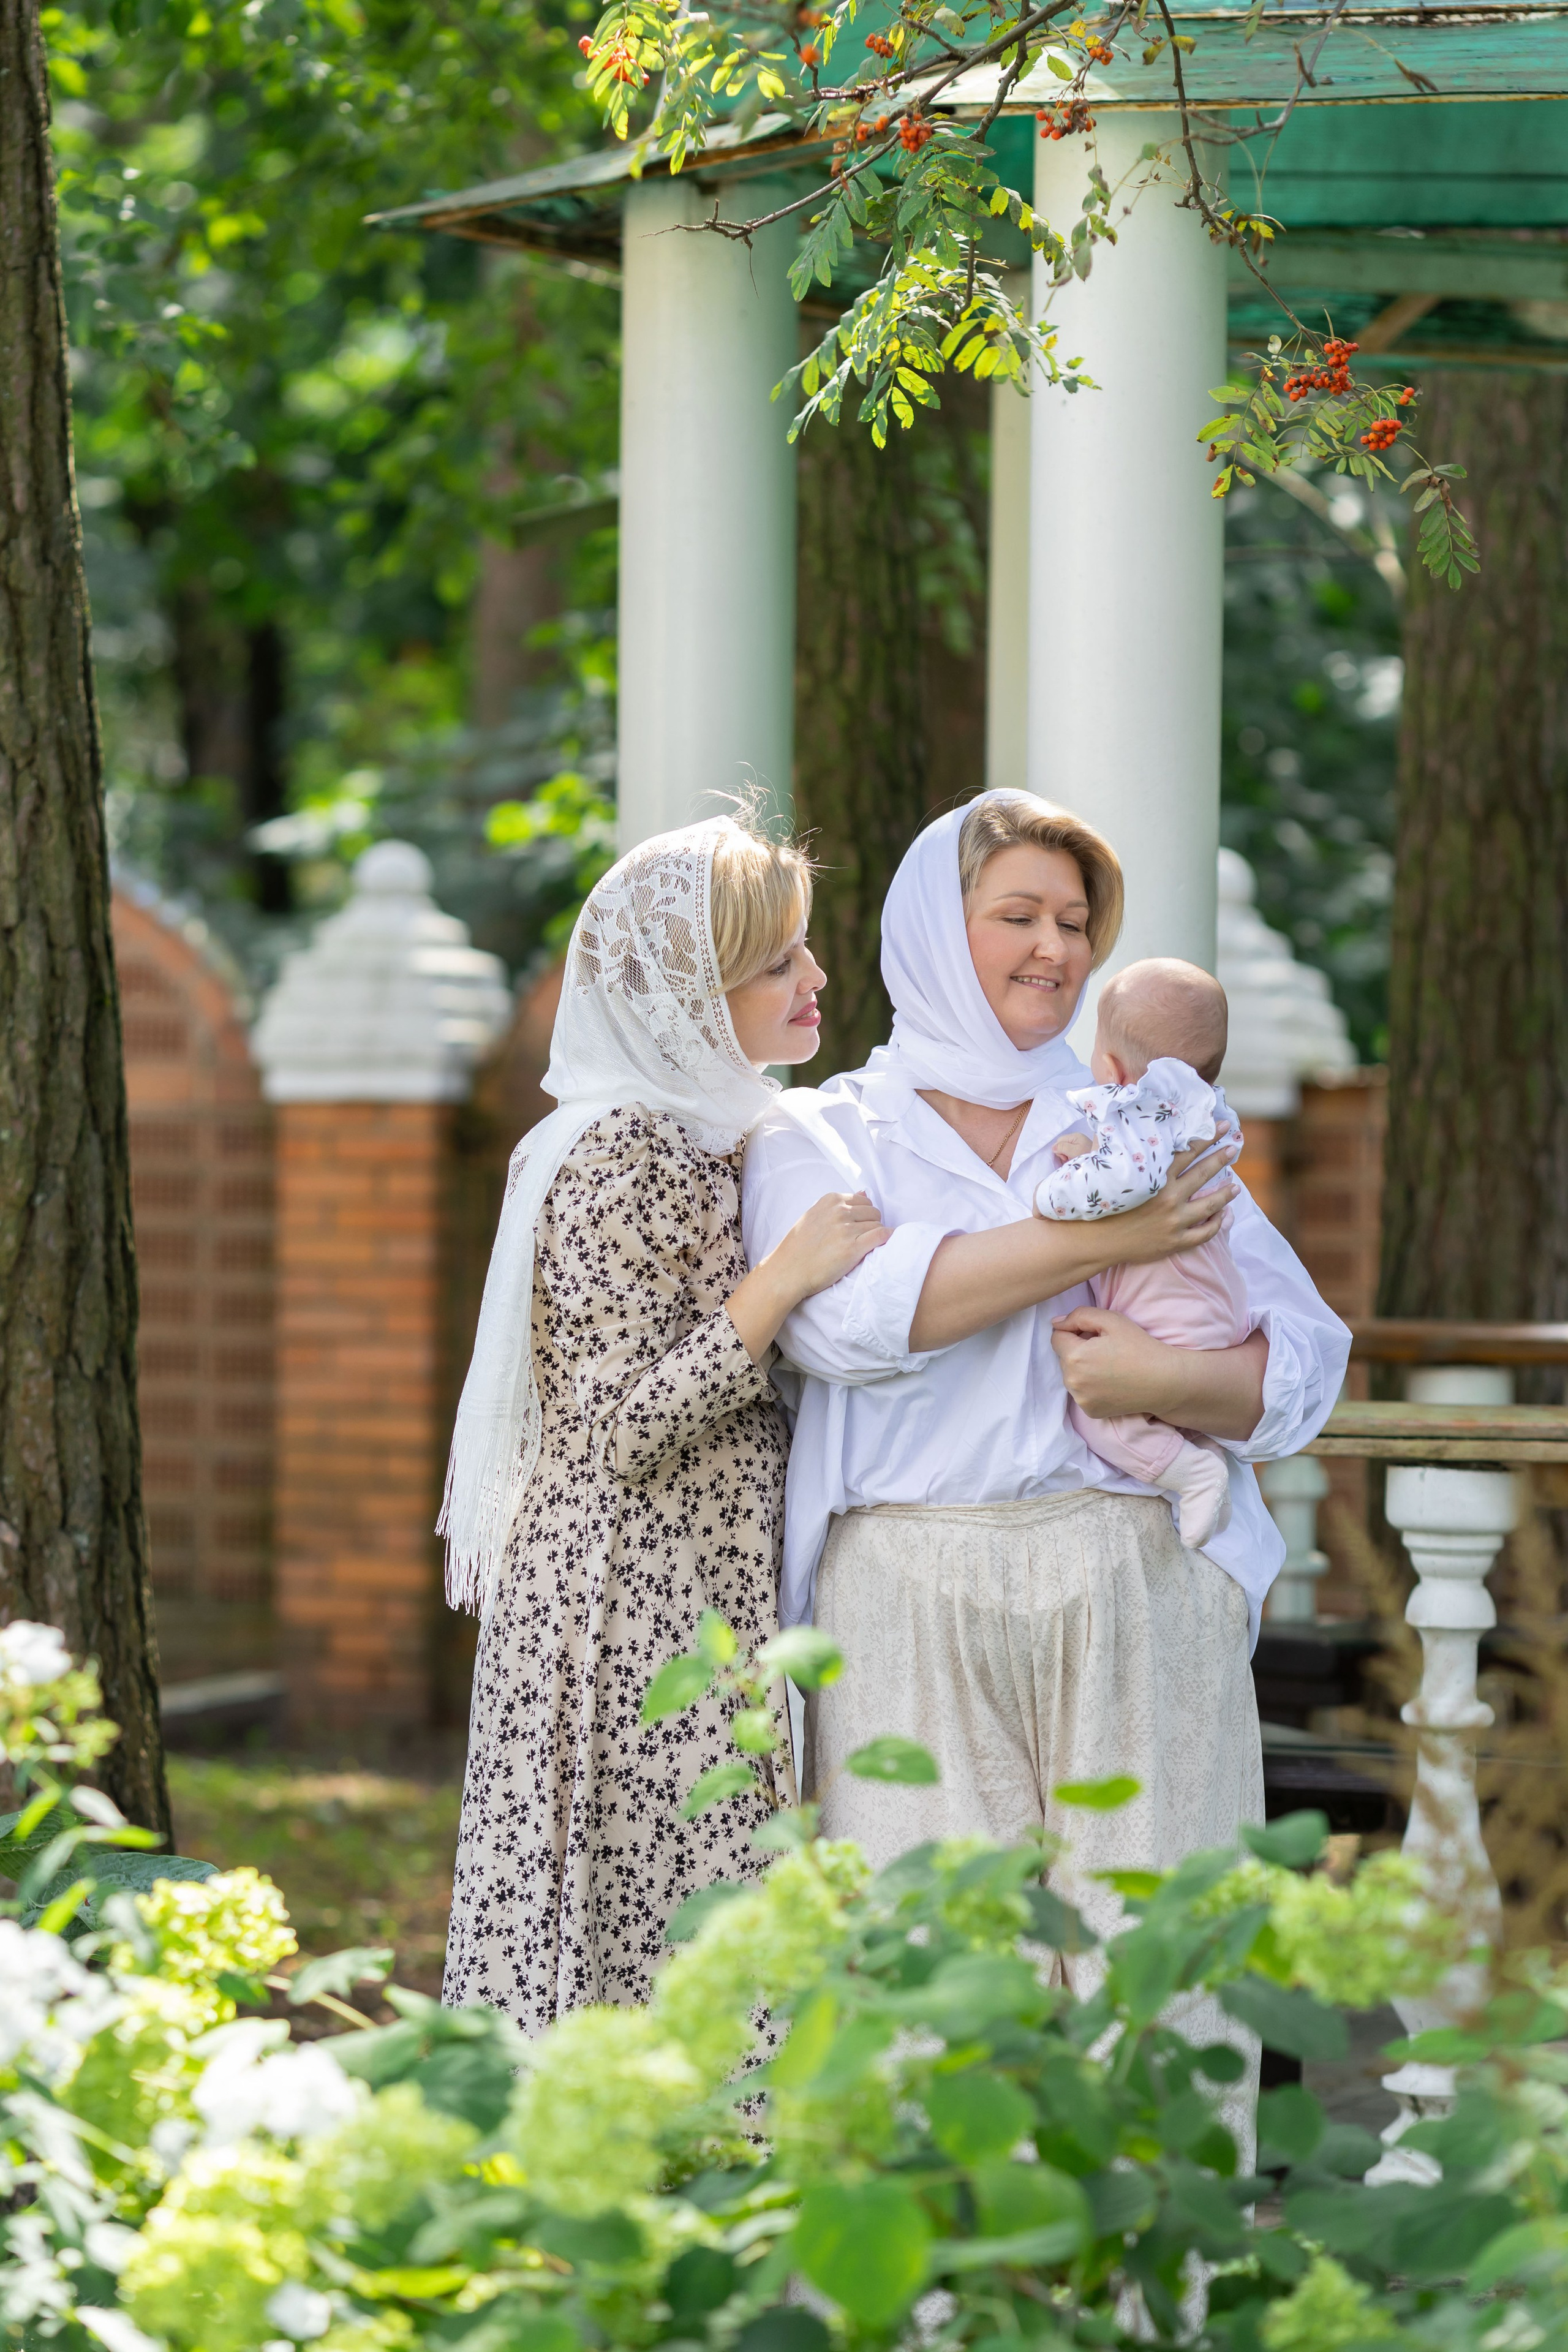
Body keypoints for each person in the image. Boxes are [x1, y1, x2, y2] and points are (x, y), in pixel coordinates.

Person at [741, 791, 1350, 1940]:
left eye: (1076, 924)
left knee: (1162, 1987)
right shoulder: (824, 1130)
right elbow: (840, 1325)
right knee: (938, 2000)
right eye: (1018, 914)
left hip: (1135, 1571)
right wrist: (1109, 1239)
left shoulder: (1146, 1115)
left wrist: (1162, 1385)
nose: (1055, 949)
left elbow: (1306, 1367)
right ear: (932, 928)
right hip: (903, 1588)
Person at [441, 815, 885, 2033]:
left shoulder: (712, 1134)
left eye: (804, 951)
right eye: (777, 963)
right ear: (693, 991)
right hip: (620, 1614)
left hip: (688, 1589)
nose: (814, 980)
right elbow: (621, 1426)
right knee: (654, 1937)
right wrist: (780, 1282)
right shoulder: (620, 1147)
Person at [1036, 957, 1250, 1553]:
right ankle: (1195, 1455)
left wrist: (1057, 1191)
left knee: (1101, 1414)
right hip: (1209, 1300)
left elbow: (1123, 1181)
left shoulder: (1146, 1116)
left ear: (1109, 1065)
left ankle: (1191, 1472)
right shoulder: (1202, 1114)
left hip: (1173, 1310)